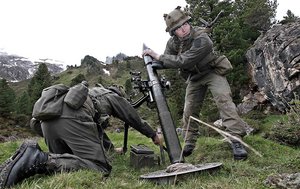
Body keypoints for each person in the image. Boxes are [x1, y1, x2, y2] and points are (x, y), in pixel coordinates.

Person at [0, 82, 160, 189]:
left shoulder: (87, 95)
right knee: (100, 167)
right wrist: (152, 134)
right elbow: (132, 117)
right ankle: (37, 159)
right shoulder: (112, 96)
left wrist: (111, 149)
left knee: (65, 158)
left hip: (46, 122)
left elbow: (94, 132)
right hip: (71, 118)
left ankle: (19, 161)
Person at [143, 6, 248, 160]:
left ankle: (236, 141)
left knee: (224, 100)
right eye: (178, 28)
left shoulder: (202, 38)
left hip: (212, 72)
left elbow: (185, 60)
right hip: (194, 77)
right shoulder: (173, 43)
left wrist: (158, 56)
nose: (183, 29)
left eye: (185, 24)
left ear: (189, 22)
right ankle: (188, 143)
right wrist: (152, 60)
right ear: (173, 32)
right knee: (189, 110)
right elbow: (168, 59)